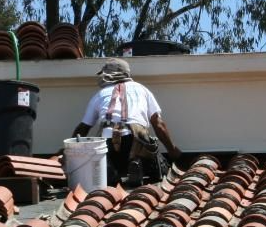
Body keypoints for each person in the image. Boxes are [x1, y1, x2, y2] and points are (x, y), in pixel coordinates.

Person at [70, 58, 182, 186]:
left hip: (108, 145)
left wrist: (71, 152)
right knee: (161, 166)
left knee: (102, 153)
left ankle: (109, 169)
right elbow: (158, 124)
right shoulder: (142, 90)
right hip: (136, 143)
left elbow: (83, 127)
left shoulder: (100, 94)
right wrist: (172, 151)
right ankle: (137, 164)